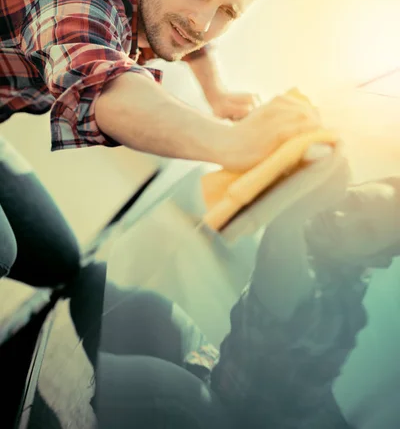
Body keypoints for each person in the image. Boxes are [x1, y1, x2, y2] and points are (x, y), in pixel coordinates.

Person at [0, 0, 323, 287]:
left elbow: (193, 34)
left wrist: (217, 93)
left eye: (228, 12)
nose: (203, 23)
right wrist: (232, 144)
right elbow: (109, 89)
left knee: (57, 264)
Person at [67, 151, 400, 428]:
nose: (342, 218)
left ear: (377, 259)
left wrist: (306, 190)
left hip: (239, 422)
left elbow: (281, 243)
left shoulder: (329, 299)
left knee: (133, 382)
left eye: (366, 230)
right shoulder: (324, 256)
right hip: (224, 381)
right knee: (123, 301)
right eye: (353, 200)